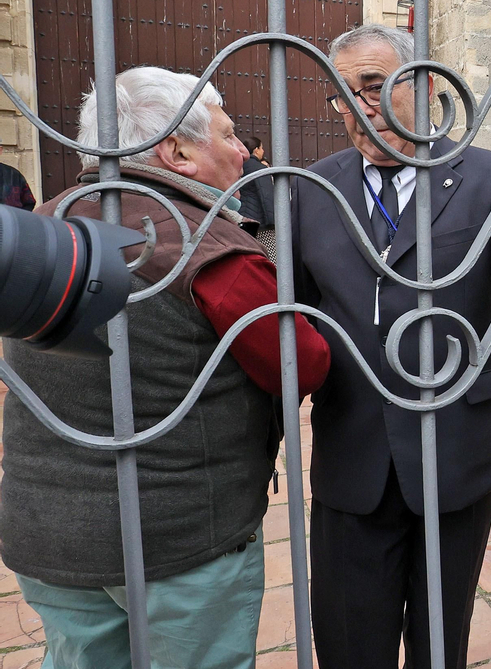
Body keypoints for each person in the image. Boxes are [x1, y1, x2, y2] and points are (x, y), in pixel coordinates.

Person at [0, 65, 330, 668]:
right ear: (176, 153)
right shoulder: (208, 250)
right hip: (178, 543)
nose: (241, 151)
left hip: (47, 531)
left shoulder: (40, 225)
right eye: (228, 135)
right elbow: (301, 365)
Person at [290, 24, 491, 669]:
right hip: (351, 452)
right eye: (344, 94)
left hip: (457, 451)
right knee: (350, 642)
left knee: (442, 642)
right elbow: (295, 317)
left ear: (420, 83)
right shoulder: (311, 187)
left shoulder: (490, 176)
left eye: (376, 86)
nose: (362, 108)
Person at [235, 132, 276, 231]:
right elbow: (266, 195)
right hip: (258, 219)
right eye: (261, 148)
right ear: (256, 150)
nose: (263, 151)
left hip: (238, 215)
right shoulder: (259, 168)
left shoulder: (238, 166)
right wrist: (272, 222)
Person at [0, 140, 35, 210]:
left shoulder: (14, 175)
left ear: (0, 150)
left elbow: (29, 202)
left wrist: (17, 219)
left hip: (10, 219)